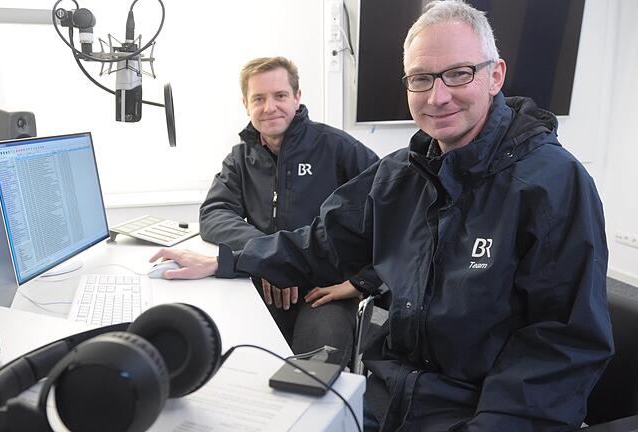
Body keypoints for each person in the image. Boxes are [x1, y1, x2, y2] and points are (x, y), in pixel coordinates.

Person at [153, 1, 614, 430]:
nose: (437, 97)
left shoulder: (552, 183)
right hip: (388, 400)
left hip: (476, 414)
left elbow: (560, 347)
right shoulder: (400, 173)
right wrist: (227, 261)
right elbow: (320, 242)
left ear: (495, 76)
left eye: (457, 74)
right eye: (421, 79)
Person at [199, 56, 381, 366]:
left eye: (280, 96)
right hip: (264, 285)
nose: (269, 107)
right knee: (228, 357)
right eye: (259, 98)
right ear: (246, 104)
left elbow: (396, 214)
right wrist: (266, 257)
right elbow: (214, 213)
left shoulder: (338, 148)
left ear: (297, 97)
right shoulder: (241, 157)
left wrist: (363, 281)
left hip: (324, 290)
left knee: (314, 375)